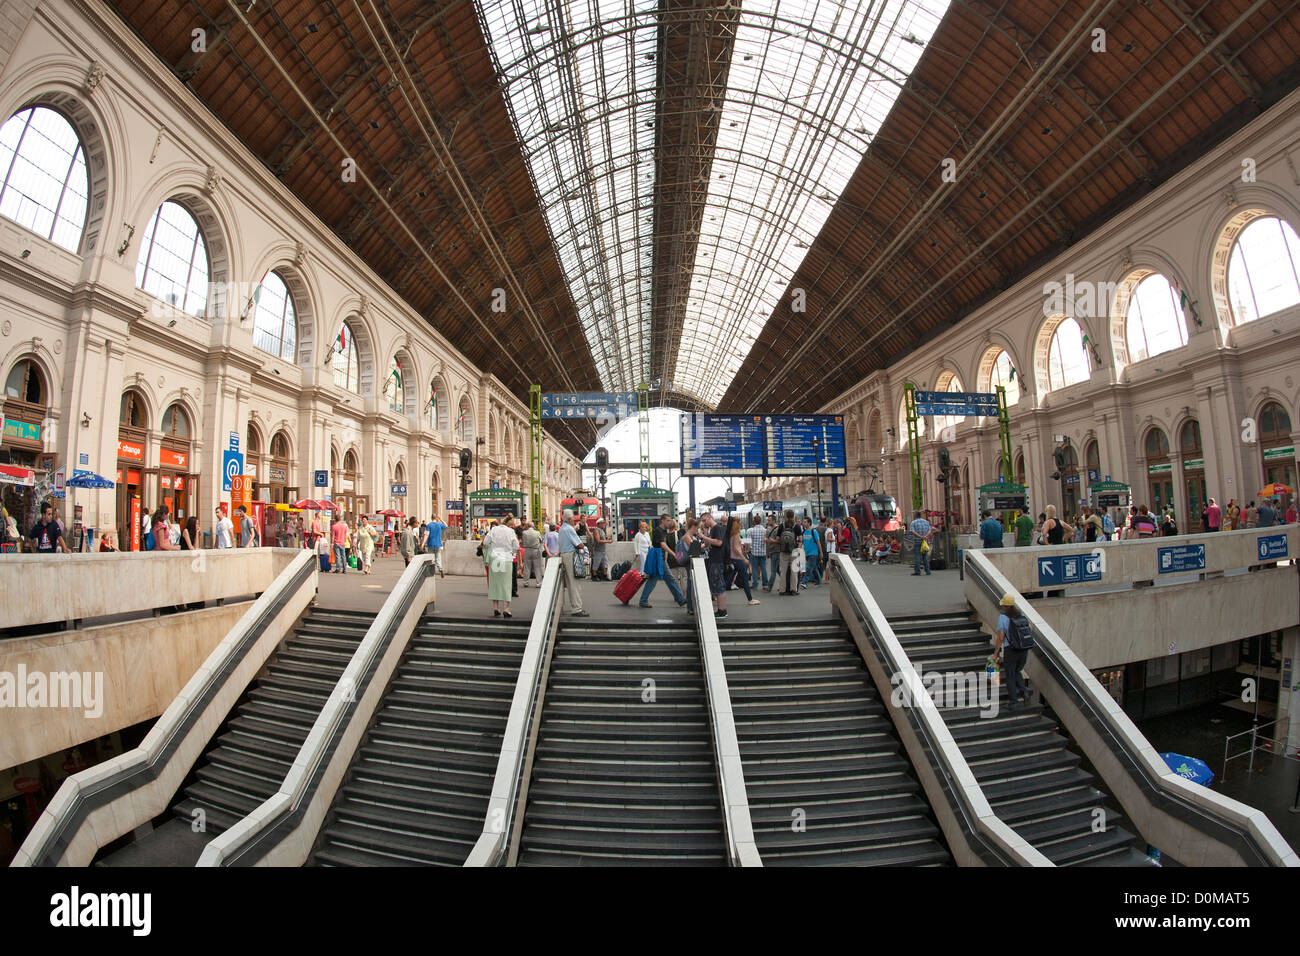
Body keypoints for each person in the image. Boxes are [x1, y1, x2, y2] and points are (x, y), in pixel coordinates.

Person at [993, 593, 1033, 710]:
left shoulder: (1003, 617)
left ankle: (1014, 702)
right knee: (1017, 671)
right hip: (1023, 649)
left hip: (1011, 650)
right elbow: (1029, 629)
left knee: (1010, 675)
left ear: (1005, 605)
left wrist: (996, 653)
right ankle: (1024, 692)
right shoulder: (1021, 615)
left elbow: (1001, 637)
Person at [639, 513, 687, 608]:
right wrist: (674, 554)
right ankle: (680, 599)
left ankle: (643, 600)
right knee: (668, 579)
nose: (670, 522)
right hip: (658, 558)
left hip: (660, 558)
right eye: (668, 520)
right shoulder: (658, 531)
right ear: (662, 521)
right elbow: (663, 545)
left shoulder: (664, 531)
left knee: (657, 580)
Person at [481, 516, 519, 618]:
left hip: (495, 558)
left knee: (495, 583)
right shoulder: (510, 531)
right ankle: (506, 608)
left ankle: (495, 608)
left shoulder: (493, 530)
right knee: (506, 584)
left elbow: (485, 542)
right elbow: (516, 546)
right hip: (506, 558)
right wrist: (513, 553)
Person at [557, 514, 589, 617]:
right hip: (571, 555)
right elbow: (579, 544)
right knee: (574, 583)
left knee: (564, 584)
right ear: (569, 519)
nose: (574, 521)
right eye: (573, 519)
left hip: (563, 555)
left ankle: (560, 606)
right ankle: (576, 609)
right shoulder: (570, 529)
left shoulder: (561, 529)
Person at [698, 512, 728, 618]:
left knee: (718, 584)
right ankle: (721, 609)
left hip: (716, 560)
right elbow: (707, 544)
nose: (703, 522)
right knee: (717, 583)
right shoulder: (712, 529)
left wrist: (703, 537)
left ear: (710, 517)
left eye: (704, 520)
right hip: (714, 560)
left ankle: (722, 610)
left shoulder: (716, 528)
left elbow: (718, 542)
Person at [726, 515, 759, 605]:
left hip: (733, 559)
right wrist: (744, 558)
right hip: (738, 560)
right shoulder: (736, 534)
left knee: (728, 579)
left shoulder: (730, 534)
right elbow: (736, 548)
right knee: (745, 579)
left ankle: (716, 593)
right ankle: (750, 599)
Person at [746, 514, 769, 592]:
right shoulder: (765, 530)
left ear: (754, 522)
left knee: (754, 569)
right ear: (760, 521)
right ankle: (765, 584)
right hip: (763, 552)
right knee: (763, 569)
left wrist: (747, 550)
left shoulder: (751, 530)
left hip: (754, 553)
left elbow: (748, 542)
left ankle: (755, 584)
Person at [908, 510, 932, 575]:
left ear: (915, 515)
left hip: (917, 541)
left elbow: (912, 531)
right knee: (925, 556)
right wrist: (925, 536)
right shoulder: (926, 522)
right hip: (925, 541)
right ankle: (928, 571)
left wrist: (920, 536)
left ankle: (918, 571)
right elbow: (929, 530)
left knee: (917, 556)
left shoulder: (913, 522)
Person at [800, 517, 822, 588]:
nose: (804, 523)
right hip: (807, 553)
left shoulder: (813, 532)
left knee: (809, 568)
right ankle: (818, 580)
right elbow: (801, 542)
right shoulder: (804, 532)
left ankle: (804, 582)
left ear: (809, 523)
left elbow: (818, 542)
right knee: (814, 567)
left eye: (805, 522)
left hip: (814, 553)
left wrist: (820, 552)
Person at [521, 520, 544, 586]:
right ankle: (538, 582)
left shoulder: (524, 533)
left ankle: (526, 582)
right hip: (535, 550)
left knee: (527, 567)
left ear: (528, 526)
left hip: (527, 550)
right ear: (533, 526)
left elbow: (523, 541)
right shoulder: (537, 533)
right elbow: (541, 540)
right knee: (537, 567)